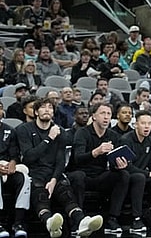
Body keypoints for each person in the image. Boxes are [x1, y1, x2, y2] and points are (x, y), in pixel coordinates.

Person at [16, 98, 103, 237]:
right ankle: (49, 222)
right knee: (40, 194)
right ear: (36, 112)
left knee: (66, 193)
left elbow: (60, 160)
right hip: (34, 172)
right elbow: (28, 158)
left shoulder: (60, 131)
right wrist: (48, 139)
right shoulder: (24, 129)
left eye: (50, 107)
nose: (47, 110)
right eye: (43, 107)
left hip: (53, 172)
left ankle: (82, 221)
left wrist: (54, 179)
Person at [72, 103, 137, 235]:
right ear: (94, 116)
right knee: (78, 176)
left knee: (123, 174)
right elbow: (77, 158)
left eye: (108, 114)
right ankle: (77, 221)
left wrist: (119, 165)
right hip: (82, 174)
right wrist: (96, 152)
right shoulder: (82, 133)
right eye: (102, 113)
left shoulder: (113, 136)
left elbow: (112, 163)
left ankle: (112, 219)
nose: (106, 117)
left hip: (100, 175)